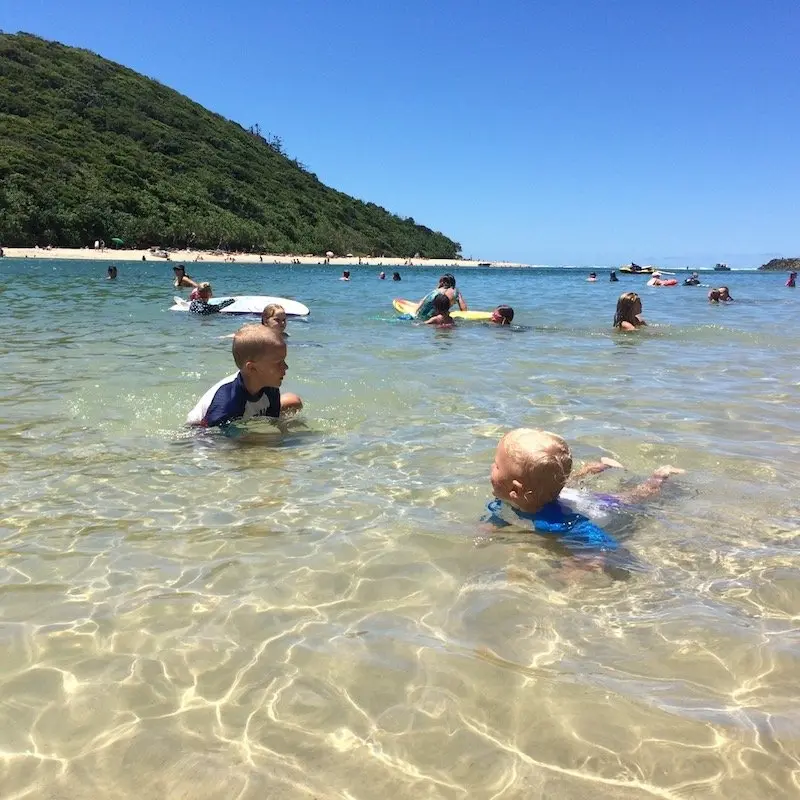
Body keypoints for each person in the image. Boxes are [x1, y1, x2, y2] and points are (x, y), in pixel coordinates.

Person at [484, 428, 684, 559]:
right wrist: (489, 528)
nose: (491, 466)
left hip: (597, 503)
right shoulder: (507, 499)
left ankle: (658, 477)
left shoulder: (556, 522)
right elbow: (501, 516)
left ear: (515, 490)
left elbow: (603, 544)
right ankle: (595, 468)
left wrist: (586, 564)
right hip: (565, 493)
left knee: (635, 496)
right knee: (566, 482)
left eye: (496, 465)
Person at [186, 325, 302, 428]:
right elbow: (215, 441)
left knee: (293, 401)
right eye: (278, 363)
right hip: (201, 430)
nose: (286, 367)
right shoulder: (227, 403)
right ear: (252, 368)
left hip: (245, 413)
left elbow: (272, 421)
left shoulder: (270, 385)